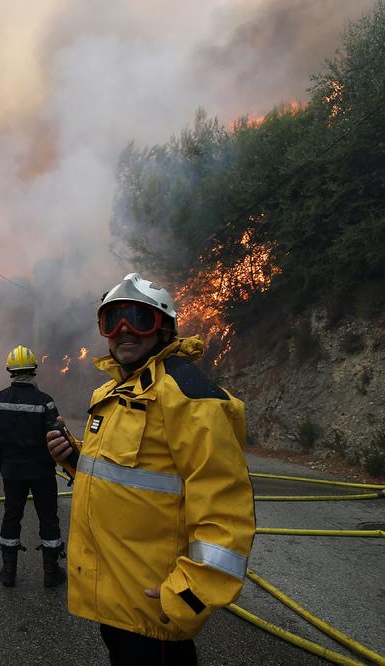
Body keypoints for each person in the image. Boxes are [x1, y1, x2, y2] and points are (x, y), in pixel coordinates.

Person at [47, 273, 255, 665]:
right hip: (114, 597)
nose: (124, 331)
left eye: (138, 319)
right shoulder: (108, 395)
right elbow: (125, 480)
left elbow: (226, 511)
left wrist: (190, 593)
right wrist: (73, 459)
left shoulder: (190, 399)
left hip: (154, 602)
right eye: (112, 321)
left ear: (164, 328)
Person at [0, 344, 66, 588]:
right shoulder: (45, 401)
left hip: (12, 471)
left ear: (10, 370)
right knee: (48, 516)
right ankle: (51, 573)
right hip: (42, 471)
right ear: (33, 369)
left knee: (12, 515)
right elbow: (57, 435)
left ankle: (8, 573)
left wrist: (2, 458)